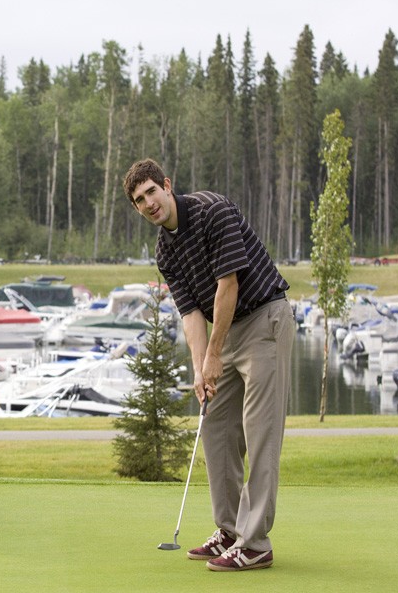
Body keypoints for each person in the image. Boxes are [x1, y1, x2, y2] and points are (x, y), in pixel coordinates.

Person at [123, 159, 295, 572]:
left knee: (260, 434)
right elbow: (191, 316)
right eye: (139, 200)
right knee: (215, 424)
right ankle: (230, 531)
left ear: (167, 185)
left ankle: (255, 543)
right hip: (226, 331)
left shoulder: (212, 209)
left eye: (151, 192)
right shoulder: (165, 250)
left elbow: (228, 284)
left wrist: (214, 354)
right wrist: (201, 369)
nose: (148, 203)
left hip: (264, 319)